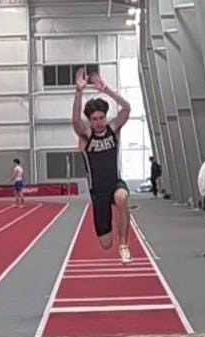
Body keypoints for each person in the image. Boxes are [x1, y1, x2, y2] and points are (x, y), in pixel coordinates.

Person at [72, 67, 132, 264]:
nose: (99, 122)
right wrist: (79, 92)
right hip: (98, 193)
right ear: (90, 121)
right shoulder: (86, 136)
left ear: (106, 117)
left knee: (122, 197)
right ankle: (114, 235)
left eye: (101, 118)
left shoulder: (113, 130)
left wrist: (106, 90)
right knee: (105, 243)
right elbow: (75, 122)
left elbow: (127, 108)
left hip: (115, 184)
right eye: (95, 119)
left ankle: (123, 245)